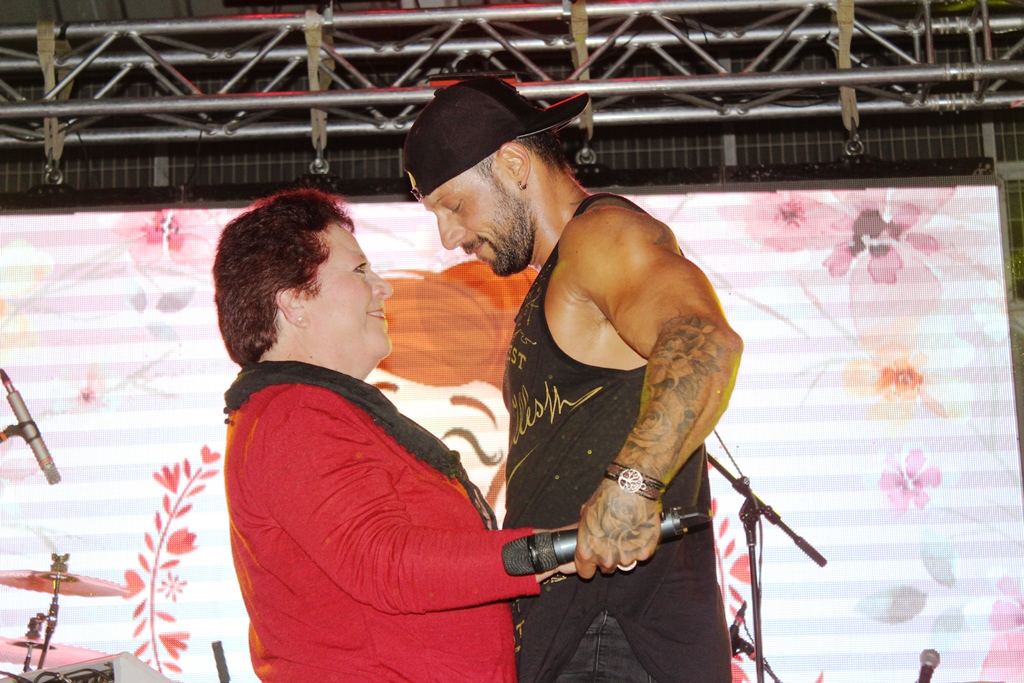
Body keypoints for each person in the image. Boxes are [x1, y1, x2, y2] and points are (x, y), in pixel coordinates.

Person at [404, 78, 744, 682]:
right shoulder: (559, 278)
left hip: (614, 638)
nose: (449, 238)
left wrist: (633, 485)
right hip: (574, 640)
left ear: (513, 165)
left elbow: (704, 341)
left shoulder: (601, 236)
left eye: (453, 206)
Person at [212, 188, 570, 683]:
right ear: (295, 302)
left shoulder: (307, 412)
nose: (383, 288)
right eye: (360, 271)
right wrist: (552, 551)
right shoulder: (293, 415)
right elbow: (387, 564)